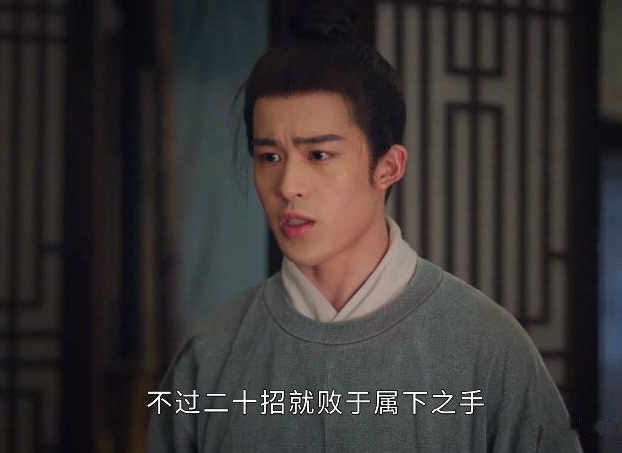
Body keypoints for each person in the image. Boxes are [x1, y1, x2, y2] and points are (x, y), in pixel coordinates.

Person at [146, 5, 583, 452]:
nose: (288, 186)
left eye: (319, 155)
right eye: (270, 157)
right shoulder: (211, 354)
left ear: (388, 167)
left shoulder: (488, 347)